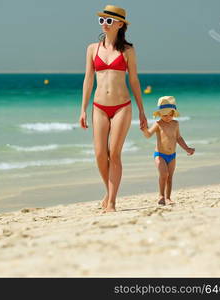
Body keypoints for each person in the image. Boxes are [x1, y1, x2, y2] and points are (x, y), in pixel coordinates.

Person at [79, 5, 147, 213]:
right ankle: (108, 191)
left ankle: (112, 202)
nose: (104, 24)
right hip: (98, 107)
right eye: (102, 21)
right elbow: (88, 80)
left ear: (120, 24)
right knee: (100, 154)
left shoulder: (128, 50)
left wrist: (142, 111)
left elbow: (134, 81)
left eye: (109, 21)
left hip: (122, 107)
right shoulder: (92, 49)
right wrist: (83, 109)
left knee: (114, 153)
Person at [141, 96, 195, 205]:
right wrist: (144, 129)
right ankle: (161, 195)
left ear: (173, 113)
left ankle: (168, 198)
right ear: (160, 114)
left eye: (170, 115)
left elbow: (179, 138)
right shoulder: (158, 124)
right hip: (160, 155)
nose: (168, 117)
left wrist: (187, 148)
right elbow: (148, 135)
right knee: (164, 174)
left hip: (172, 155)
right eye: (165, 115)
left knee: (170, 177)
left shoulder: (175, 124)